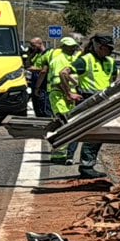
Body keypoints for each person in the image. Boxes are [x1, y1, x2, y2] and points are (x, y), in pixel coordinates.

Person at [70, 34, 116, 179]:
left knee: (99, 133)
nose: (110, 52)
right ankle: (86, 166)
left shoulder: (110, 61)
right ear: (100, 47)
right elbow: (64, 73)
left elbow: (114, 78)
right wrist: (69, 93)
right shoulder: (86, 60)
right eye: (108, 48)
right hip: (89, 99)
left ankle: (88, 164)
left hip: (103, 99)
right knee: (93, 133)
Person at [43, 35, 80, 165]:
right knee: (63, 122)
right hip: (59, 95)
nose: (72, 49)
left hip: (70, 96)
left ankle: (64, 153)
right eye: (70, 47)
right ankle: (59, 153)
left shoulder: (72, 58)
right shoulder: (58, 60)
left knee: (70, 123)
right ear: (63, 47)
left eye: (74, 47)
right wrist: (68, 93)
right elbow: (58, 81)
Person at [23, 37, 48, 117]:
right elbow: (27, 64)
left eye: (33, 45)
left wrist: (35, 69)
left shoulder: (47, 54)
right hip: (34, 82)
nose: (32, 47)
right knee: (36, 107)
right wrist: (31, 53)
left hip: (42, 84)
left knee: (43, 108)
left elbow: (44, 70)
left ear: (40, 43)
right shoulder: (36, 54)